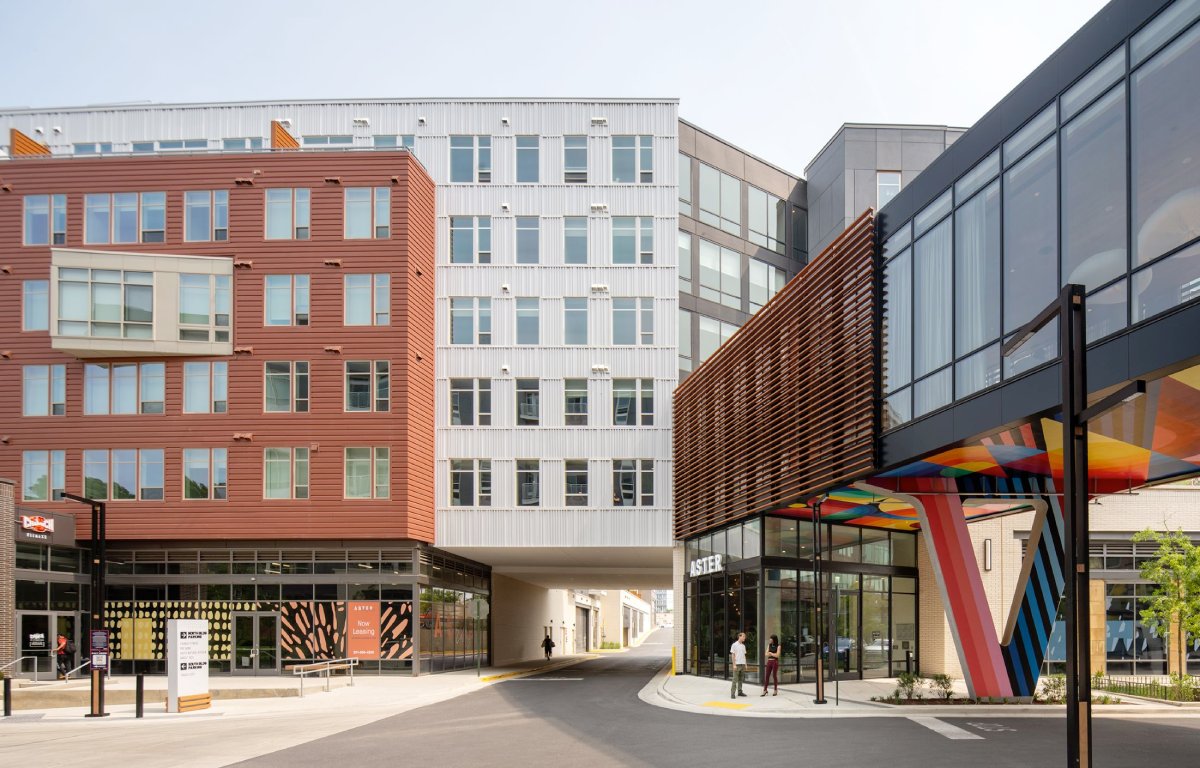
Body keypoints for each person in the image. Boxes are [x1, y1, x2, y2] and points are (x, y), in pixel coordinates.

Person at [729, 631, 748, 699]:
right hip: (737, 664)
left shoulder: (743, 646)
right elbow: (733, 655)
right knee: (735, 679)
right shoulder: (734, 645)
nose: (744, 638)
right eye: (743, 636)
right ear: (739, 636)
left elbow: (744, 655)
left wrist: (745, 664)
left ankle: (740, 692)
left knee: (741, 679)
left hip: (742, 664)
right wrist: (734, 665)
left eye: (744, 637)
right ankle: (732, 693)